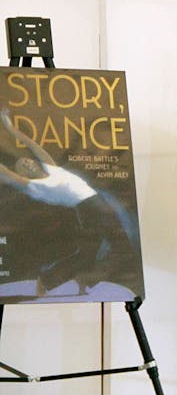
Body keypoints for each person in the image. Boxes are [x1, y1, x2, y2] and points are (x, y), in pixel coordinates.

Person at [0, 108, 139, 296]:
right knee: (122, 247)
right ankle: (75, 280)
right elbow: (6, 173)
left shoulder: (51, 167)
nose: (28, 162)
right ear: (23, 175)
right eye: (23, 166)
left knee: (88, 252)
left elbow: (31, 145)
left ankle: (51, 280)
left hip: (92, 207)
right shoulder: (34, 186)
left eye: (27, 160)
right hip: (92, 207)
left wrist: (10, 128)